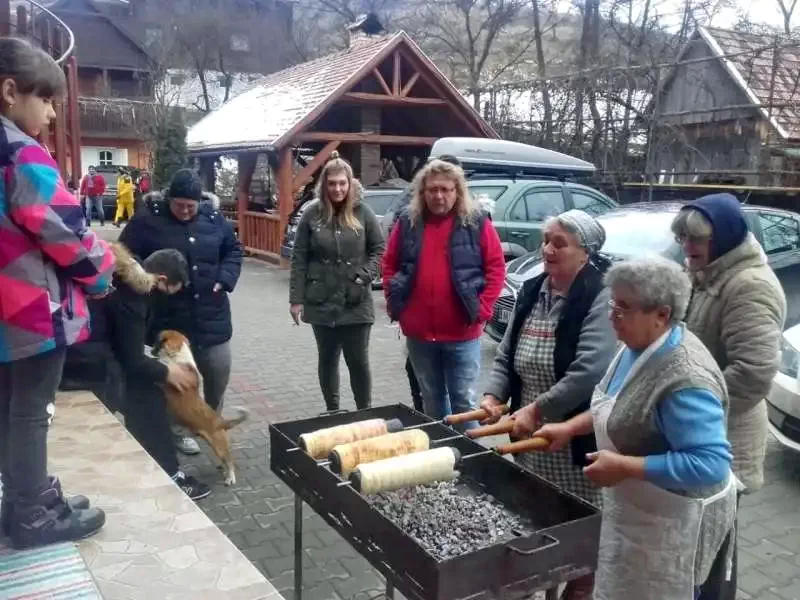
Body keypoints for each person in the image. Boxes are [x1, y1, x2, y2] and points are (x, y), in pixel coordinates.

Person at [533, 257, 737, 600]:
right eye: (613, 302)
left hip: (673, 525)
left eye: (624, 307)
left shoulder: (686, 379)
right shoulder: (635, 345)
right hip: (637, 514)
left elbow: (710, 464)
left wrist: (625, 466)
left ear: (662, 314)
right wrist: (568, 428)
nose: (612, 315)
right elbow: (617, 408)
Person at [0, 37, 115, 548]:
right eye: (45, 100)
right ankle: (32, 516)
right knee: (33, 411)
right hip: (29, 308)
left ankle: (25, 497)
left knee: (11, 408)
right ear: (9, 91)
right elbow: (63, 229)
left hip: (6, 310)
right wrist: (105, 271)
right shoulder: (20, 151)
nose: (50, 113)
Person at [480, 210, 615, 599]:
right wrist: (494, 396)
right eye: (546, 240)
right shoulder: (532, 288)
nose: (548, 249)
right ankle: (533, 586)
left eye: (560, 243)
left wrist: (538, 410)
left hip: (574, 440)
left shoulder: (599, 294)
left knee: (578, 537)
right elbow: (507, 354)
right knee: (534, 520)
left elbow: (590, 369)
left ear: (585, 253)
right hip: (530, 436)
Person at [672, 193, 786, 600]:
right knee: (690, 551)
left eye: (696, 239)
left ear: (724, 240)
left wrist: (687, 411)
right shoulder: (702, 275)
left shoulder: (749, 286)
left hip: (722, 440)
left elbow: (753, 374)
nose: (687, 247)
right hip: (694, 434)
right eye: (683, 237)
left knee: (714, 557)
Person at [120, 169, 243, 455]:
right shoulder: (148, 220)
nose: (186, 211)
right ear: (169, 199)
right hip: (170, 320)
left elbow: (234, 251)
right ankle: (177, 431)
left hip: (212, 317)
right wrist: (147, 279)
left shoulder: (214, 219)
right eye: (180, 205)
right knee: (176, 383)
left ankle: (211, 423)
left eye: (191, 205)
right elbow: (127, 254)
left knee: (217, 374)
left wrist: (225, 278)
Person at [383, 159, 505, 430]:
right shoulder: (408, 222)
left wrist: (483, 309)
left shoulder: (476, 223)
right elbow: (389, 263)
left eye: (446, 189)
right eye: (432, 189)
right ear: (422, 192)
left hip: (462, 332)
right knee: (432, 401)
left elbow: (496, 266)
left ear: (457, 192)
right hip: (419, 334)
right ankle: (440, 462)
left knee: (464, 402)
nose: (439, 196)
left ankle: (472, 464)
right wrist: (395, 305)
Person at [107, 244, 211, 500]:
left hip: (101, 356)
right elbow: (132, 358)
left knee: (144, 405)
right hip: (95, 363)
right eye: (173, 291)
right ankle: (170, 477)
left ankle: (146, 468)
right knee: (149, 406)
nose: (171, 297)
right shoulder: (133, 298)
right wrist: (168, 373)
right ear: (162, 280)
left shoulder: (131, 281)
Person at [289, 152, 385, 411]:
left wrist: (363, 276)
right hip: (320, 300)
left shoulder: (363, 213)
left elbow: (379, 250)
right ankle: (332, 411)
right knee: (328, 360)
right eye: (332, 183)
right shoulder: (311, 215)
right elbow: (299, 259)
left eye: (342, 183)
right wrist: (296, 300)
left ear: (350, 183)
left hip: (356, 302)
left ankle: (364, 412)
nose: (337, 188)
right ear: (324, 185)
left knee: (358, 362)